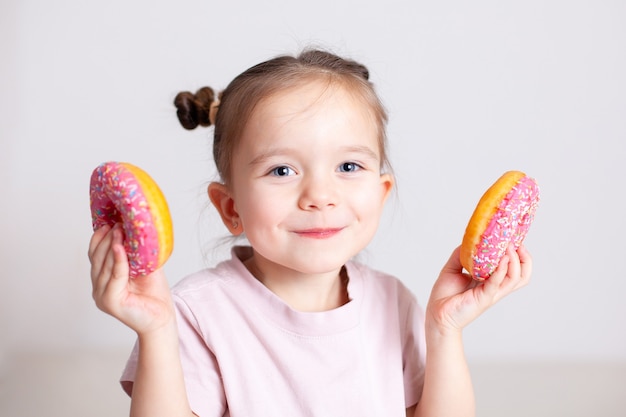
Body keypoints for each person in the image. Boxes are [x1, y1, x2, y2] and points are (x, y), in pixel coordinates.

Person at [88, 49, 532, 417]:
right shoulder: (194, 313)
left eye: (348, 166)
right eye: (282, 170)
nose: (320, 195)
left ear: (380, 194)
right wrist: (157, 331)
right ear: (230, 207)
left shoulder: (393, 303)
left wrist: (444, 330)